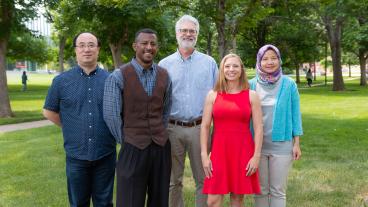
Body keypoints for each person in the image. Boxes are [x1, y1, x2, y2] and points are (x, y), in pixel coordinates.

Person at [43, 32, 116, 207]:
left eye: (91, 45)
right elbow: (48, 111)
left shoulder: (112, 80)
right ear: (75, 50)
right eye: (81, 45)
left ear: (98, 49)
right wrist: (69, 125)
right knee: (77, 203)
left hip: (105, 154)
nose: (86, 49)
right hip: (76, 155)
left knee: (104, 203)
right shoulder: (61, 81)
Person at [103, 28, 172, 207]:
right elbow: (111, 115)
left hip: (160, 147)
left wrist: (159, 132)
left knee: (160, 199)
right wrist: (127, 140)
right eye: (144, 43)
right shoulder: (118, 76)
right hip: (132, 147)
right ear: (135, 46)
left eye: (153, 44)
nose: (149, 47)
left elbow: (165, 110)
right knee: (129, 200)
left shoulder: (164, 75)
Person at [158, 14, 218, 207]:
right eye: (184, 30)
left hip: (200, 128)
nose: (188, 34)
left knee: (204, 178)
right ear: (176, 33)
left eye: (192, 31)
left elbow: (218, 96)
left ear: (197, 35)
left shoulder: (209, 63)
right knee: (172, 180)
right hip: (172, 129)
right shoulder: (164, 65)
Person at [200, 54, 263, 207]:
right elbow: (205, 126)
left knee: (237, 199)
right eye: (227, 66)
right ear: (222, 70)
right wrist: (204, 155)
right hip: (219, 151)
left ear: (241, 69)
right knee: (212, 200)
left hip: (243, 151)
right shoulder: (213, 95)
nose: (231, 69)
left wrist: (256, 156)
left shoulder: (252, 95)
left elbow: (259, 127)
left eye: (235, 66)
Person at [249, 44, 303, 207]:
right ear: (259, 61)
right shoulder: (250, 85)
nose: (269, 62)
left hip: (281, 145)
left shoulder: (289, 84)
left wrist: (296, 144)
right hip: (256, 147)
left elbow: (295, 115)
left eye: (273, 58)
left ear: (279, 60)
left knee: (278, 191)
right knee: (260, 190)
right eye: (265, 59)